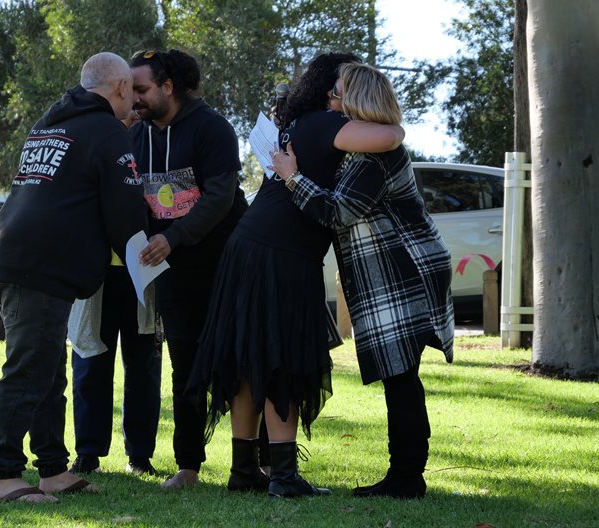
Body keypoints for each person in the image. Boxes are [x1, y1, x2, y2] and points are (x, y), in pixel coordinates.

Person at [188, 52, 404, 498]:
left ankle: (244, 470)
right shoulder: (326, 124)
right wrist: (396, 123)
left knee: (248, 357)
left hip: (249, 243)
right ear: (330, 92)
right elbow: (388, 137)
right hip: (282, 254)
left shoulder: (297, 125)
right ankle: (283, 476)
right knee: (279, 354)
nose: (344, 94)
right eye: (343, 86)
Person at [270, 61, 455, 499]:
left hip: (403, 270)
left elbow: (339, 211)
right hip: (400, 268)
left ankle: (407, 478)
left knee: (402, 376)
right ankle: (406, 475)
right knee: (402, 375)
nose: (330, 103)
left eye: (336, 96)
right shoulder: (367, 150)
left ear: (355, 101)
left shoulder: (374, 155)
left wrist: (291, 177)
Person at [0, 52, 148, 504]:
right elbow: (125, 211)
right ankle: (4, 474)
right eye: (132, 92)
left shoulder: (51, 123)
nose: (135, 102)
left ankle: (53, 469)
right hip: (40, 264)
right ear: (117, 88)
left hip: (11, 253)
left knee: (48, 370)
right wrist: (152, 246)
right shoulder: (106, 132)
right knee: (30, 368)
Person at [128, 48, 248, 489]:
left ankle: (250, 464)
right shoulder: (135, 136)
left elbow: (219, 197)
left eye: (141, 89)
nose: (134, 98)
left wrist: (172, 237)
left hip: (224, 264)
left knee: (238, 361)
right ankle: (189, 466)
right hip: (170, 270)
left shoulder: (212, 128)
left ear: (168, 86)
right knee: (185, 365)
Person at [68, 112, 162, 478]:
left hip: (143, 271)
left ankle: (140, 454)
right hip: (95, 275)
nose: (133, 109)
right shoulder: (88, 141)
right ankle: (88, 452)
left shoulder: (151, 142)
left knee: (144, 366)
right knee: (90, 361)